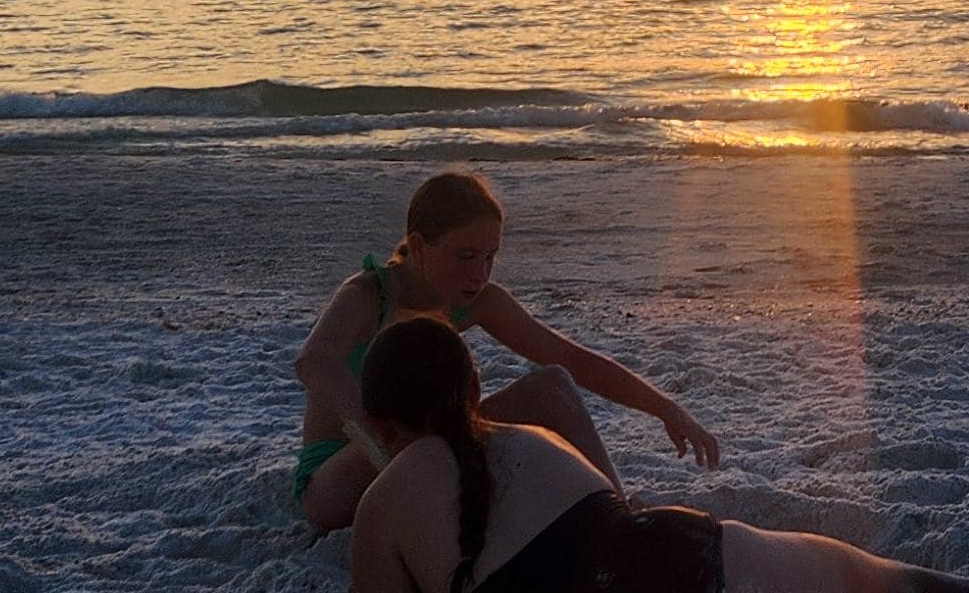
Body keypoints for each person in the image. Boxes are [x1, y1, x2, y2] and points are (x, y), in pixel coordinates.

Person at [351, 319, 969, 593]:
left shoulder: (382, 505)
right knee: (866, 578)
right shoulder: (534, 440)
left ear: (380, 427)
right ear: (475, 390)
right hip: (670, 549)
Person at [296, 169, 722, 532]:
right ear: (420, 246)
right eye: (466, 256)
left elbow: (571, 358)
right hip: (340, 478)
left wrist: (665, 408)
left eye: (490, 256)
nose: (480, 273)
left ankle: (619, 521)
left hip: (427, 453)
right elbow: (313, 360)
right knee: (432, 431)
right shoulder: (368, 295)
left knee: (552, 387)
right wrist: (385, 440)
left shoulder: (476, 301)